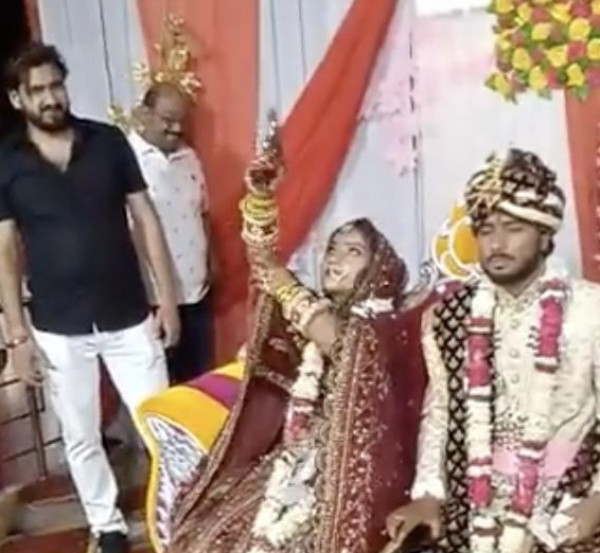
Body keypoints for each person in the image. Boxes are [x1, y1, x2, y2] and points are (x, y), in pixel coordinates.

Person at [162, 144, 428, 553]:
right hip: (295, 462)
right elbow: (265, 269)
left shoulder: (391, 326)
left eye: (353, 252)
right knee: (207, 532)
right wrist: (260, 200)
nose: (335, 259)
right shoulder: (313, 315)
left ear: (379, 269)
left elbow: (346, 345)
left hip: (355, 481)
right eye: (333, 248)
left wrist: (284, 284)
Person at [0, 43, 180, 553]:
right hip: (58, 326)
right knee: (80, 436)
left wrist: (167, 299)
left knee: (160, 425)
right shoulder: (6, 163)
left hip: (129, 315)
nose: (50, 98)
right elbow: (5, 252)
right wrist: (17, 337)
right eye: (37, 91)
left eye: (56, 86)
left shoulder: (106, 142)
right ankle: (108, 527)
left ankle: (179, 512)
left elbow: (146, 219)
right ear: (17, 99)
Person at [382, 149, 600, 553]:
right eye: (485, 230)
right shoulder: (448, 317)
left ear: (545, 235)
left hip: (568, 500)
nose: (496, 243)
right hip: (473, 503)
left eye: (514, 228)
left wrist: (596, 503)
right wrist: (428, 494)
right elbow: (440, 412)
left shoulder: (591, 309)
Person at [128, 82, 213, 383]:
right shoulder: (127, 160)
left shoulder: (189, 157)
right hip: (152, 300)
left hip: (197, 294)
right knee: (162, 389)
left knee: (200, 383)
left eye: (182, 121)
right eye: (168, 120)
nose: (177, 129)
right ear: (144, 114)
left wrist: (211, 261)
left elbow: (202, 211)